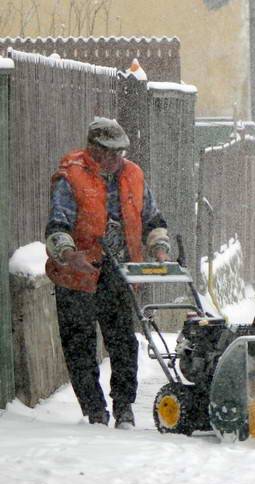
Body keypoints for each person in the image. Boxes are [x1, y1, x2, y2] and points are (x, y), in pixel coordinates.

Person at [45, 117, 171, 429]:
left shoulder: (133, 175)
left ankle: (124, 407)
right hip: (77, 273)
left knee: (123, 342)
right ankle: (95, 410)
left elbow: (152, 218)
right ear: (94, 150)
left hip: (118, 272)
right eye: (111, 152)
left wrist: (159, 246)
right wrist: (68, 254)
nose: (117, 159)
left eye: (121, 153)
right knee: (80, 344)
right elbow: (57, 223)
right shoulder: (72, 176)